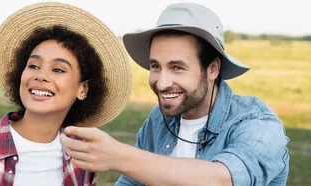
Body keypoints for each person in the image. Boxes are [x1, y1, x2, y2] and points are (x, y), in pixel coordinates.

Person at [60, 3, 290, 186]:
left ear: (212, 69)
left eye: (177, 67)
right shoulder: (159, 120)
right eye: (156, 66)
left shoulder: (257, 123)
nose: (161, 83)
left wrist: (119, 156)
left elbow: (224, 179)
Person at [0, 2, 132, 186]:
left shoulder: (81, 159)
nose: (41, 76)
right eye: (33, 66)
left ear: (82, 89)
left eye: (58, 70)